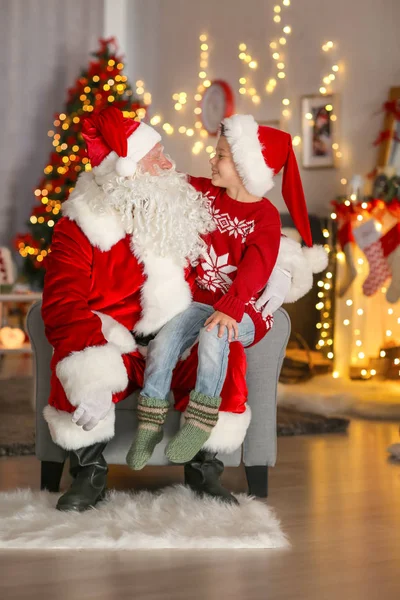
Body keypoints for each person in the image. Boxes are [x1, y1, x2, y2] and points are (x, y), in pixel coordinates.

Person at [41, 107, 324, 512]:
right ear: (127, 171)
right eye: (155, 156)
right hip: (115, 339)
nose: (169, 163)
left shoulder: (180, 205)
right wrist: (92, 376)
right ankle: (89, 473)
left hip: (179, 331)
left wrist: (286, 267)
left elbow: (251, 241)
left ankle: (204, 468)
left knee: (226, 352)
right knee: (76, 362)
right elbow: (62, 303)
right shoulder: (80, 225)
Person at [126, 114, 327, 473]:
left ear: (248, 166)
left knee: (215, 335)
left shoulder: (264, 217)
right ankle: (150, 421)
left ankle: (201, 420)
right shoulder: (207, 193)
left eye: (220, 155)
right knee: (164, 343)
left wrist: (232, 309)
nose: (211, 160)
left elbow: (256, 269)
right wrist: (154, 165)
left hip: (246, 309)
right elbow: (172, 183)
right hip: (205, 303)